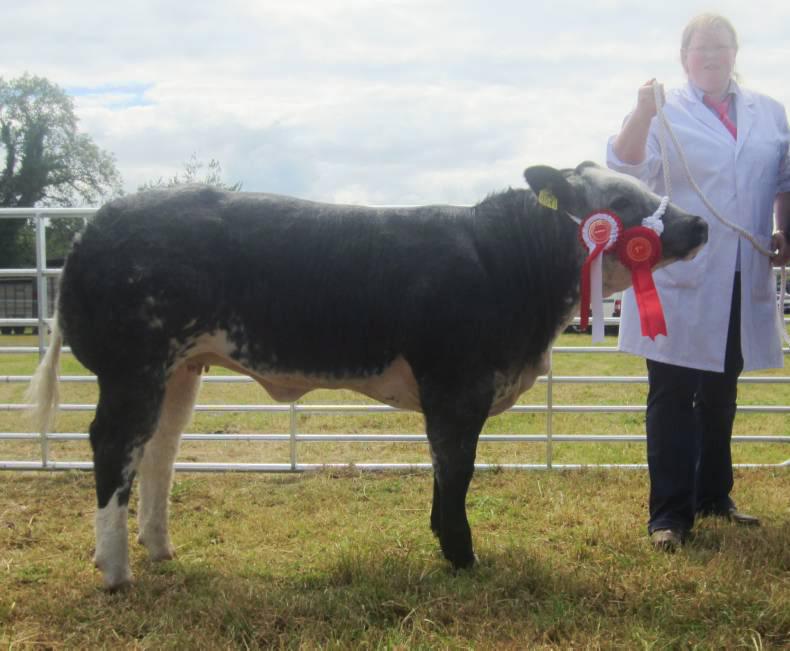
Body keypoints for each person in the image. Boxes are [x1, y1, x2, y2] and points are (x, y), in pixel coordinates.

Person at [606, 13, 790, 551]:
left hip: (739, 273)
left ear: (735, 53)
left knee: (721, 392)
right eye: (700, 49)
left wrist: (785, 232)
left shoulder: (770, 113)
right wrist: (642, 111)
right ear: (684, 57)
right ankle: (668, 514)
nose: (711, 57)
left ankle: (714, 495)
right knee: (671, 393)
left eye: (720, 47)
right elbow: (625, 166)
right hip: (677, 275)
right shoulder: (664, 113)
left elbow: (785, 181)